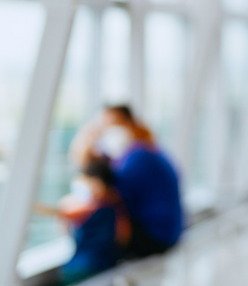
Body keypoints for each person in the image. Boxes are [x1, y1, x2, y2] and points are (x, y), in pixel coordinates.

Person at [72, 105, 184, 258]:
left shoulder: (137, 156)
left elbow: (110, 196)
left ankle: (83, 268)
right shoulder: (143, 150)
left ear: (128, 123)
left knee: (100, 215)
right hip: (169, 231)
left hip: (158, 235)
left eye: (110, 125)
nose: (104, 132)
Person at [38, 155, 130, 284]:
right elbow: (123, 237)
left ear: (96, 182)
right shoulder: (117, 206)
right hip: (105, 266)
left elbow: (57, 212)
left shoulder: (89, 208)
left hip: (83, 269)